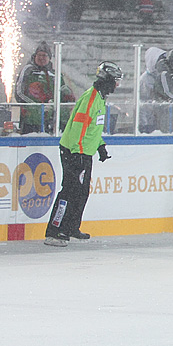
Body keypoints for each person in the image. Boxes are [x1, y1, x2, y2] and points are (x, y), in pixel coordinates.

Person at [44, 61, 123, 247]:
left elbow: (93, 129)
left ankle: (71, 227)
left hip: (83, 152)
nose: (118, 85)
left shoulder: (100, 98)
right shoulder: (91, 98)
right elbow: (78, 128)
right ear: (108, 80)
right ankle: (54, 231)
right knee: (70, 190)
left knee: (82, 191)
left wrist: (100, 146)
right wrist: (78, 152)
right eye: (116, 81)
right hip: (74, 151)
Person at [15, 41, 75, 134]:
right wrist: (37, 106)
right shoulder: (28, 70)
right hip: (30, 121)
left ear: (49, 58)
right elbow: (19, 93)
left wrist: (66, 97)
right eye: (39, 55)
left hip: (51, 121)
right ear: (35, 56)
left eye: (45, 55)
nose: (41, 58)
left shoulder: (55, 74)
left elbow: (62, 94)